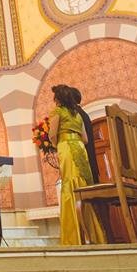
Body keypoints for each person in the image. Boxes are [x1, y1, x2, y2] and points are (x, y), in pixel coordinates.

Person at [48, 85, 106, 245]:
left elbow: (52, 134)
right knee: (82, 184)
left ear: (58, 99)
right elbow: (85, 139)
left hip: (66, 146)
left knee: (69, 185)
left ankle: (74, 236)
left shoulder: (58, 112)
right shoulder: (78, 115)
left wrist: (57, 144)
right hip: (80, 148)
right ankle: (91, 233)